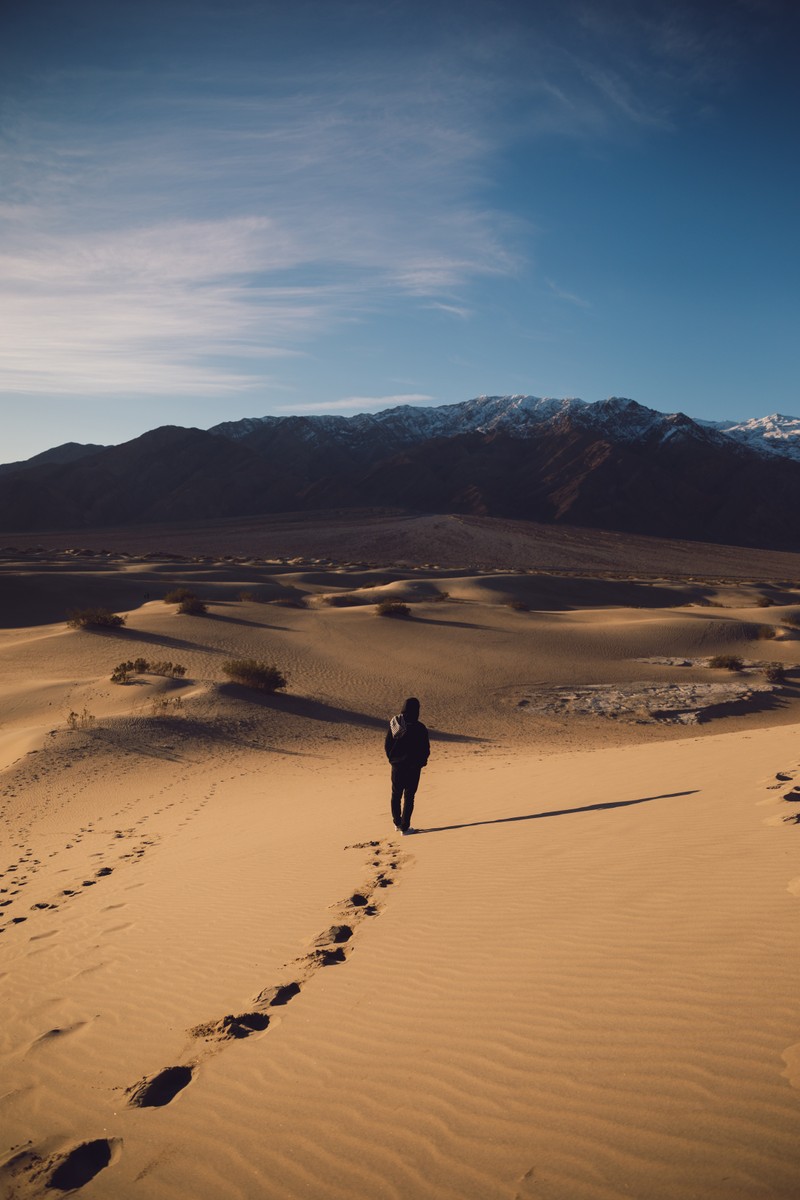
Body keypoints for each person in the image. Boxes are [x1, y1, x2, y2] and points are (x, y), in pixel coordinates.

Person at [385, 697, 430, 835]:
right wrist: (421, 763)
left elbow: (388, 745)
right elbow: (425, 749)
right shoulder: (420, 727)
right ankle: (404, 827)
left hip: (397, 767)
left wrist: (393, 760)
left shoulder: (396, 724)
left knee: (396, 794)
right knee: (409, 796)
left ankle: (397, 823)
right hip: (413, 768)